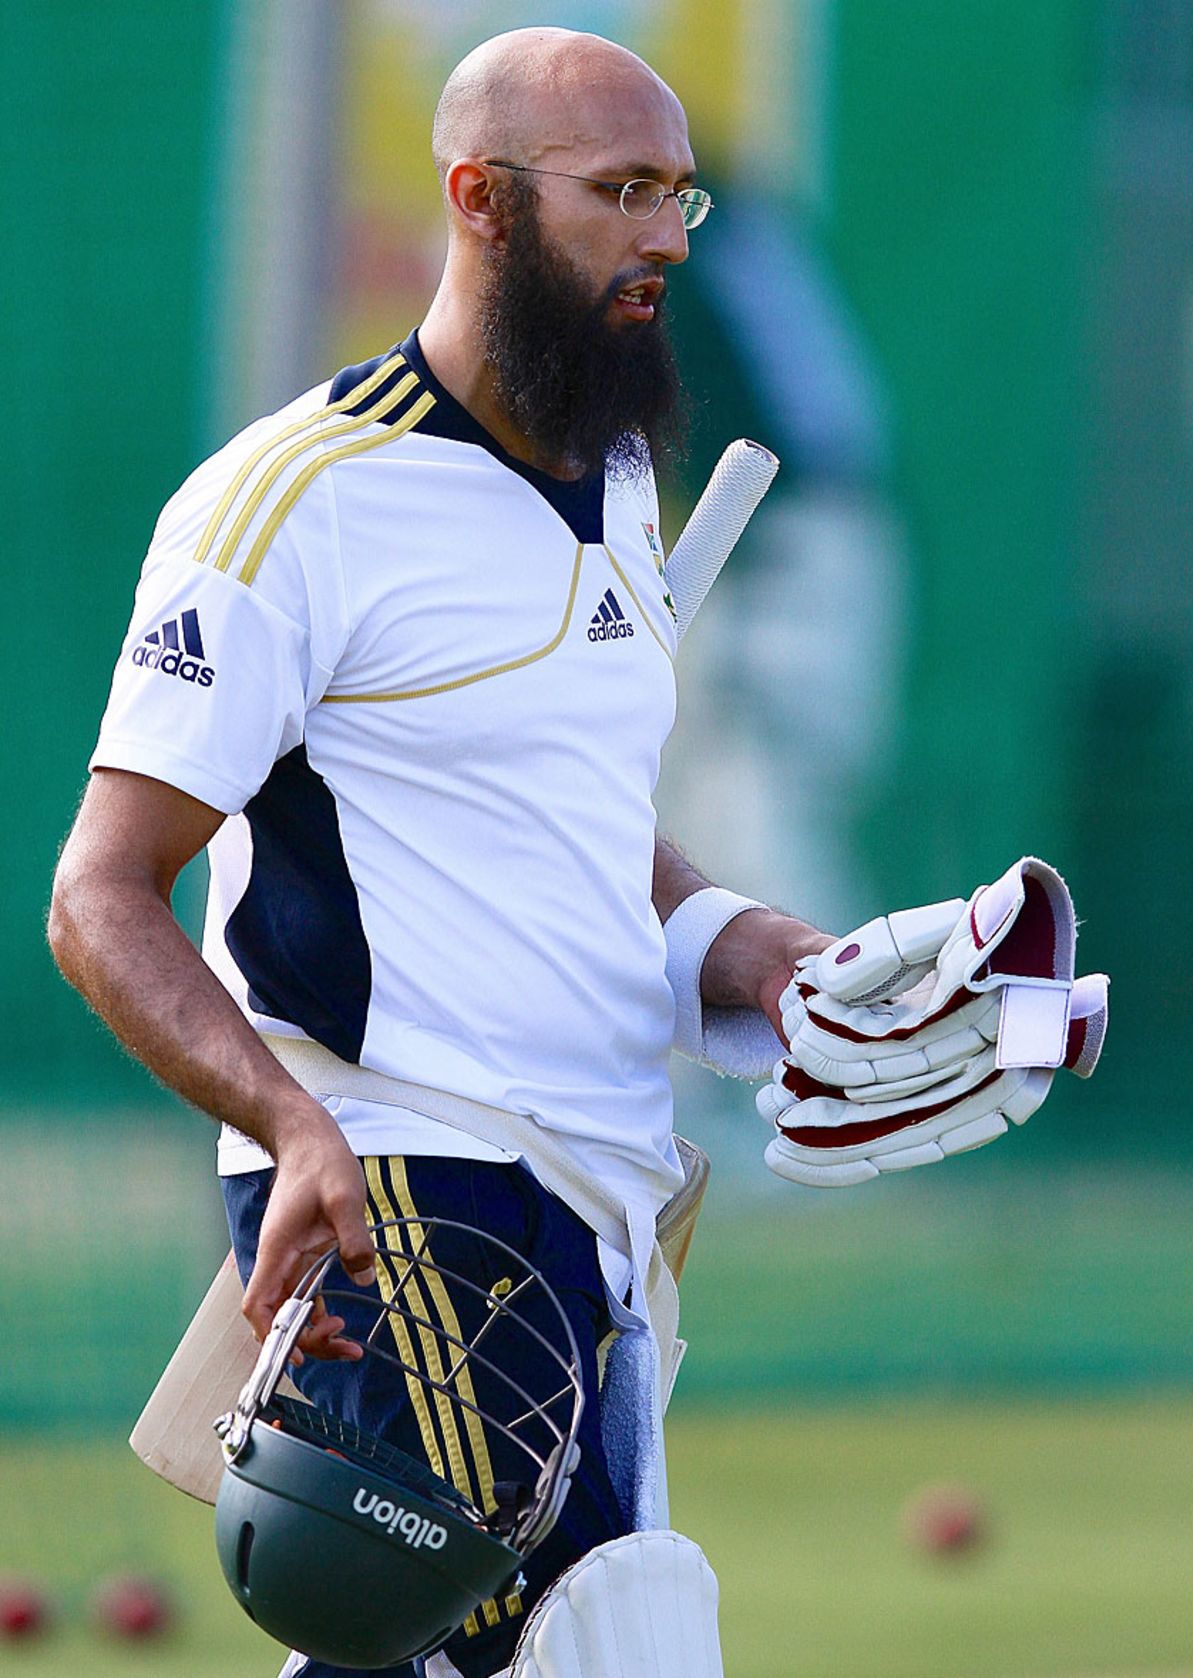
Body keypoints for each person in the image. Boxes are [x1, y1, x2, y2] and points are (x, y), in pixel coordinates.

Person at [48, 27, 829, 1678]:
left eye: (680, 194)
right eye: (622, 191)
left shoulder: (623, 476)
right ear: (480, 198)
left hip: (597, 1202)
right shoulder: (293, 500)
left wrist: (741, 943)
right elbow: (99, 894)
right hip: (407, 1186)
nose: (669, 237)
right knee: (598, 1648)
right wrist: (289, 1125)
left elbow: (569, 822)